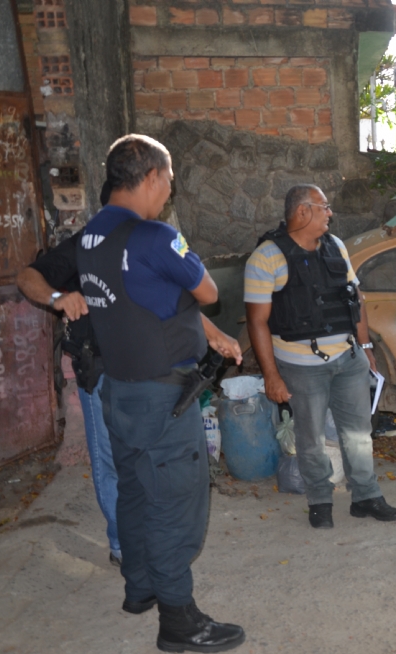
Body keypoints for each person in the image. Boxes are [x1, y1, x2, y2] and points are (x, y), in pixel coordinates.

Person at [16, 183, 242, 576]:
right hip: (100, 371)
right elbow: (27, 277)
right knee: (112, 463)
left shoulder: (139, 243)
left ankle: (149, 551)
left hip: (144, 372)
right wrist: (58, 299)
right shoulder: (87, 245)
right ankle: (126, 548)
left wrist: (214, 335)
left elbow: (164, 300)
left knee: (152, 464)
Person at [75, 134, 244, 654]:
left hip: (118, 392)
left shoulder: (90, 236)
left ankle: (140, 588)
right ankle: (178, 619)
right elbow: (209, 293)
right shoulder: (153, 236)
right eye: (168, 181)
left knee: (134, 490)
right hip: (163, 398)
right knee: (175, 502)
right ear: (150, 176)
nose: (169, 192)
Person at [245, 184, 396, 529]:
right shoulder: (267, 257)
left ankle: (365, 496)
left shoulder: (336, 246)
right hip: (301, 367)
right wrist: (271, 375)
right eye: (324, 207)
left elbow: (354, 299)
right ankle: (320, 501)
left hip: (348, 360)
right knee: (311, 438)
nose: (330, 213)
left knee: (359, 433)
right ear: (303, 212)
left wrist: (365, 349)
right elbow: (257, 322)